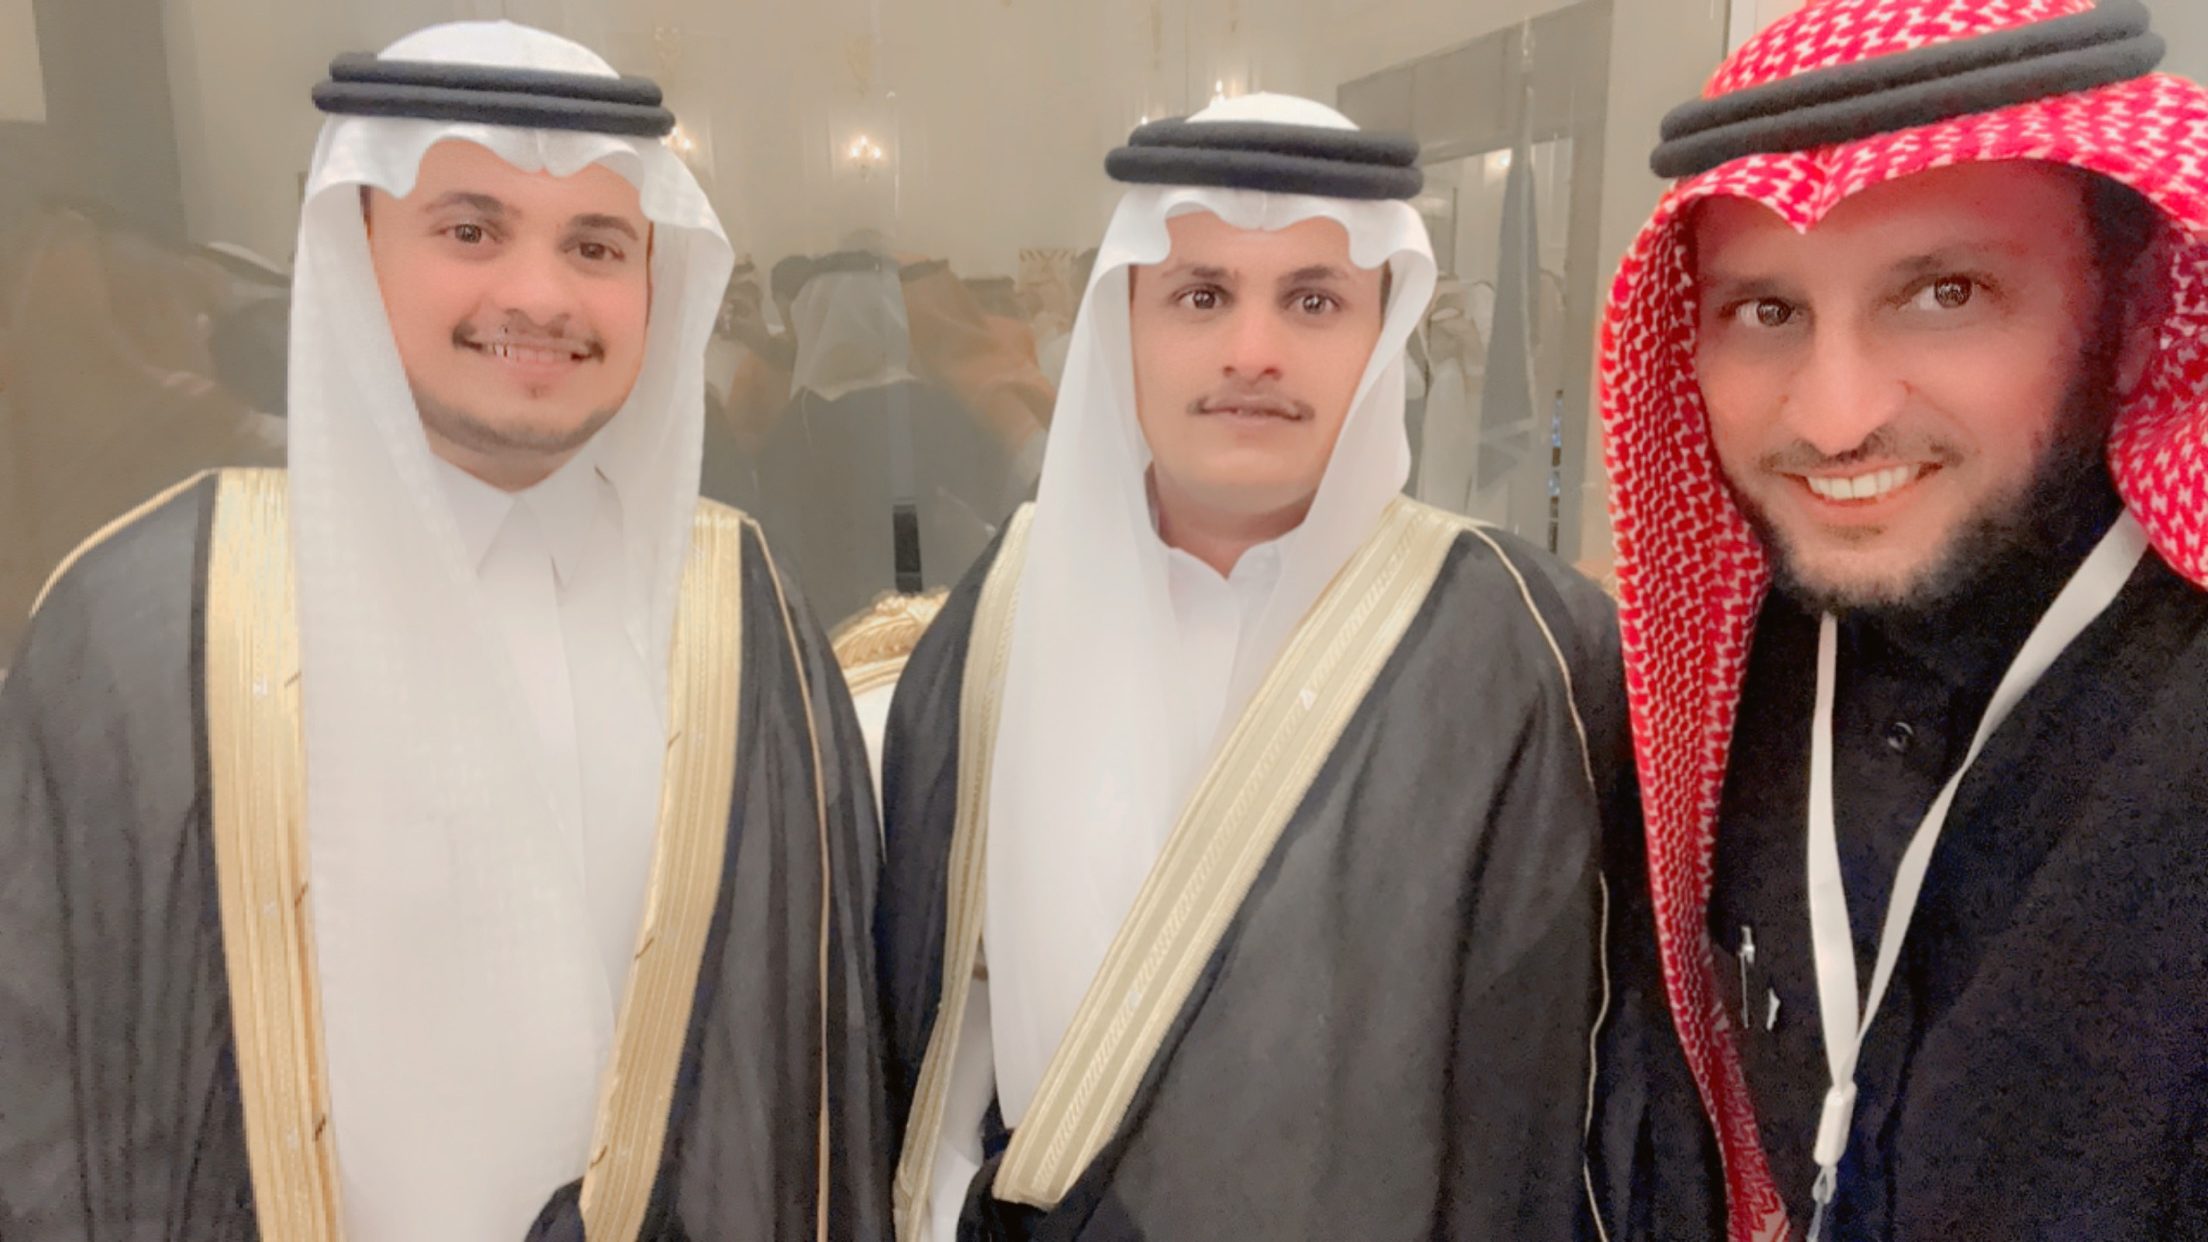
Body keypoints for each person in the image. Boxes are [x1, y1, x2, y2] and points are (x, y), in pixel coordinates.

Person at [0, 21, 889, 1240]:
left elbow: (817, 1074)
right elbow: (45, 1102)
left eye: (595, 245)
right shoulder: (150, 624)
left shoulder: (739, 608)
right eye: (470, 231)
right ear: (355, 248)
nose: (538, 295)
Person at [878, 93, 1632, 1241]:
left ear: (1381, 329)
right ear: (1126, 321)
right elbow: (933, 1028)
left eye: (1314, 301)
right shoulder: (1006, 612)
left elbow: (1554, 1093)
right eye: (1201, 296)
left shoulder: (1522, 642)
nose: (1252, 353)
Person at [1601, 0, 2208, 1236]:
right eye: (1766, 312)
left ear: (2136, 307)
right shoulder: (1729, 671)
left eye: (1944, 292)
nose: (1834, 418)